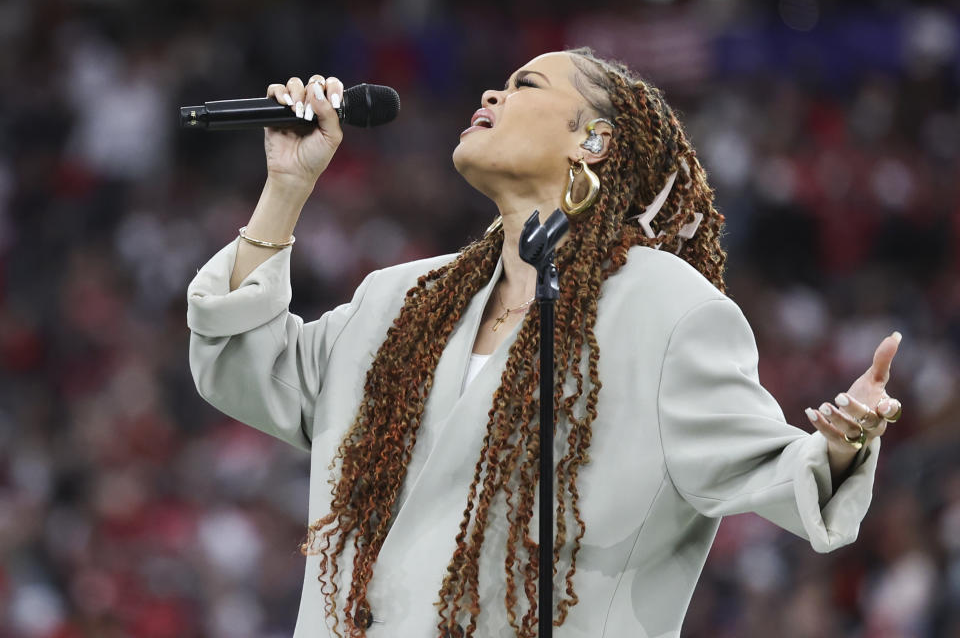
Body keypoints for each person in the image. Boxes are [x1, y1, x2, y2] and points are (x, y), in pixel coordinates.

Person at [186, 48, 904, 638]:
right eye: (497, 83)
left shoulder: (666, 309)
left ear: (592, 140)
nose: (492, 94)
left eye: (524, 84)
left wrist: (845, 438)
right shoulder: (397, 301)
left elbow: (777, 468)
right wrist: (286, 185)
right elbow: (244, 362)